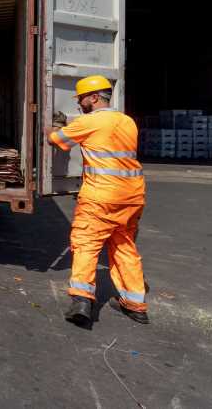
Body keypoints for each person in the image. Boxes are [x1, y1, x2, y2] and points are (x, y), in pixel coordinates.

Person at [45, 75, 149, 327]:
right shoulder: (127, 121)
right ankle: (135, 304)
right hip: (133, 195)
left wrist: (53, 126)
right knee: (124, 247)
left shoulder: (89, 121)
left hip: (101, 197)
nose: (79, 104)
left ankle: (82, 300)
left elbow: (56, 140)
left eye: (81, 99)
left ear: (94, 97)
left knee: (86, 244)